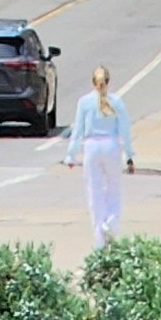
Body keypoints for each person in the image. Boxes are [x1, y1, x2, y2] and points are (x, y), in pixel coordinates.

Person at [61, 64, 134, 241]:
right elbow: (124, 130)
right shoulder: (116, 102)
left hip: (91, 146)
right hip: (111, 145)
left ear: (93, 82)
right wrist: (129, 155)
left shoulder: (84, 102)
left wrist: (71, 154)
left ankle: (99, 235)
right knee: (114, 187)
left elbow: (78, 129)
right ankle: (112, 220)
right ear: (108, 81)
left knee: (94, 190)